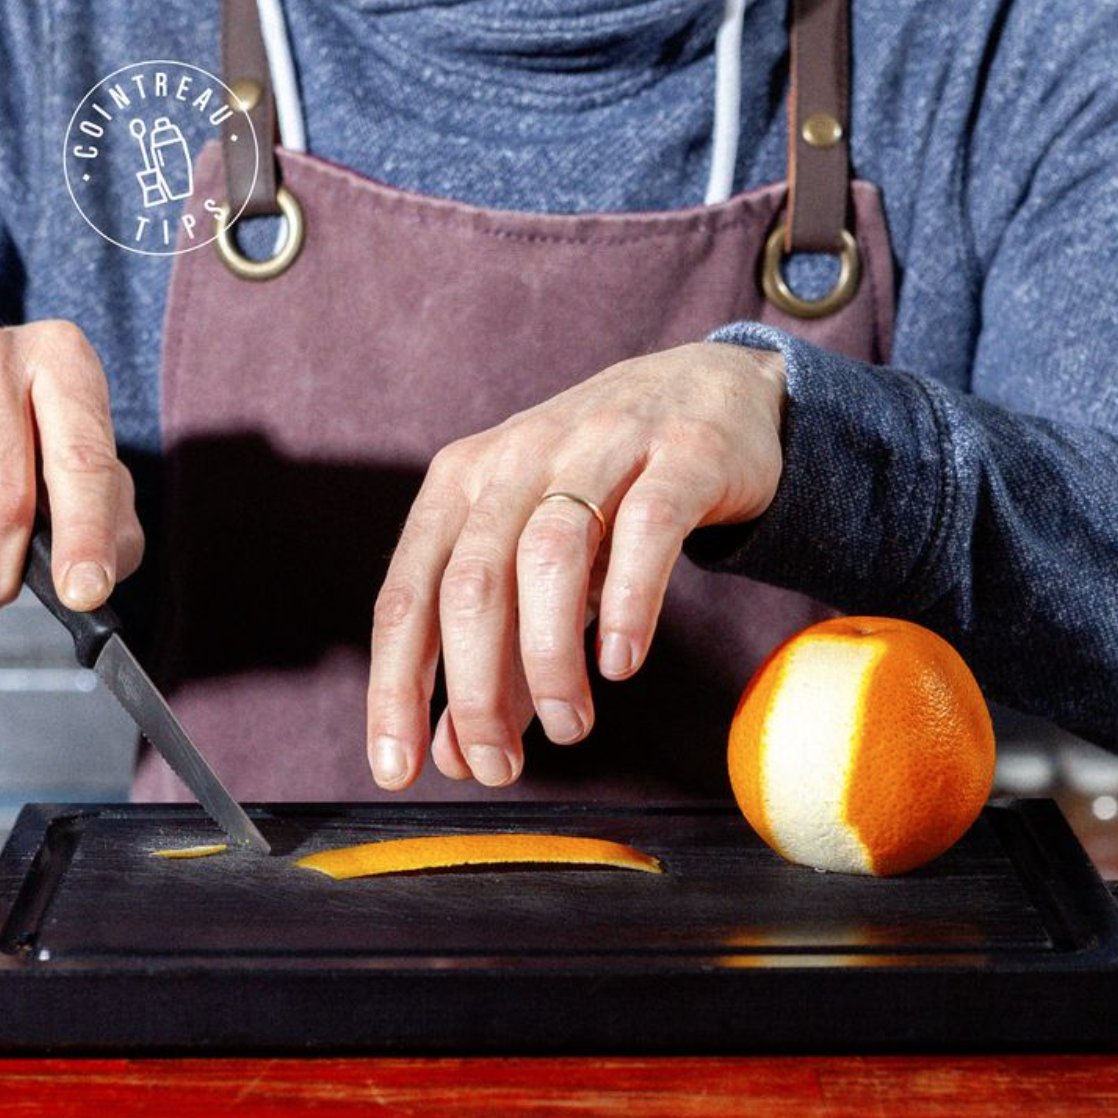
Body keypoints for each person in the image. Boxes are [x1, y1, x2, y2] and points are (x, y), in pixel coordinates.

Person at [0, 0, 1115, 804]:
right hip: (238, 1024)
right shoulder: (54, 34)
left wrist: (813, 435)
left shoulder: (1005, 38)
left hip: (798, 1031)